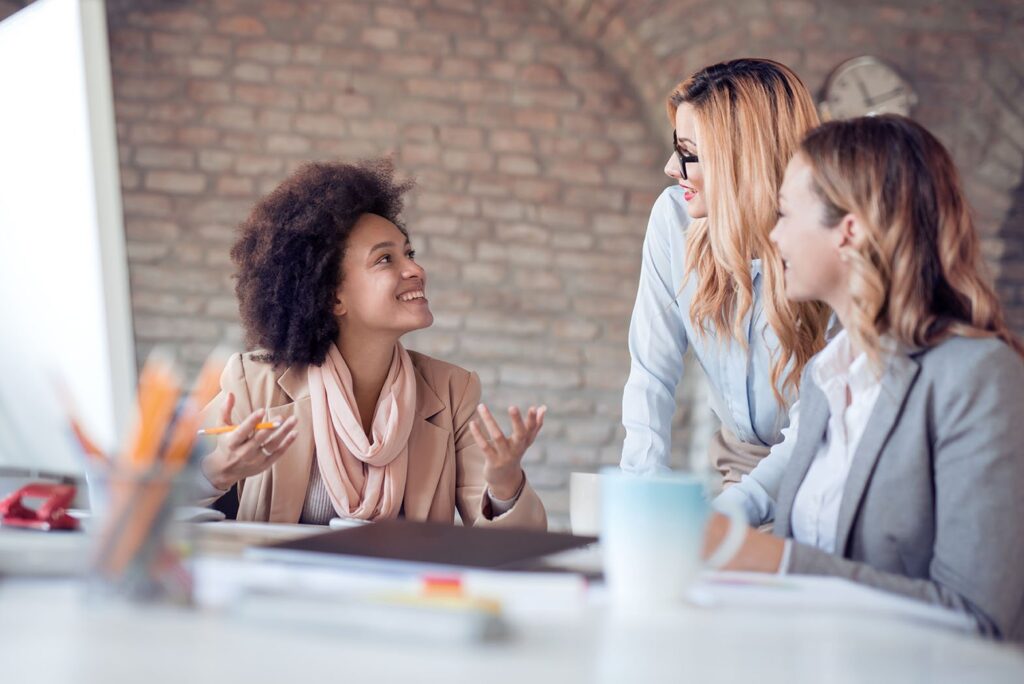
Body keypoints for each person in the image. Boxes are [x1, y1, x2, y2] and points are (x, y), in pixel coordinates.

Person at [704, 115, 1024, 640]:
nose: (773, 233)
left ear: (848, 231)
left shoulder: (979, 378)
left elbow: (978, 618)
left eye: (784, 212)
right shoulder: (823, 378)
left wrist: (778, 563)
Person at [195, 159, 547, 529]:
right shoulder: (255, 385)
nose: (415, 270)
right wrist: (217, 472)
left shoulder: (451, 392)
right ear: (332, 298)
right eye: (385, 259)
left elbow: (515, 541)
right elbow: (151, 501)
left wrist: (505, 486)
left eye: (408, 253)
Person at [621, 59, 831, 487]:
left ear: (742, 160)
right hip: (737, 469)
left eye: (688, 153)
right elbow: (650, 372)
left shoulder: (824, 245)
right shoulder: (674, 218)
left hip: (822, 475)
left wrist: (732, 517)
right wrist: (640, 495)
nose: (670, 167)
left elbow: (812, 430)